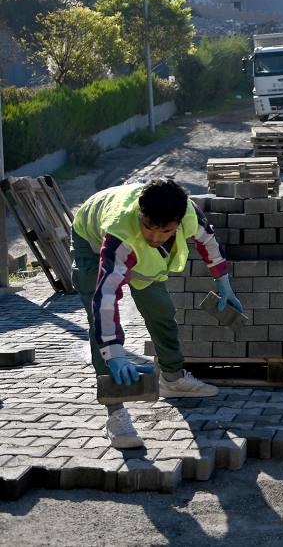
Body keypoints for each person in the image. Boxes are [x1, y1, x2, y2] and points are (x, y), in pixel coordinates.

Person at [71, 178, 244, 449]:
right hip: (90, 240)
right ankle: (115, 413)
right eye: (148, 226)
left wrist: (223, 283)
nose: (154, 237)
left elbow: (209, 241)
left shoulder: (188, 214)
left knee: (161, 310)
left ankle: (172, 380)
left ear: (177, 222)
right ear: (141, 214)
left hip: (131, 249)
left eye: (165, 231)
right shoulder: (121, 234)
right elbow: (106, 299)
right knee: (101, 329)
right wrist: (114, 354)